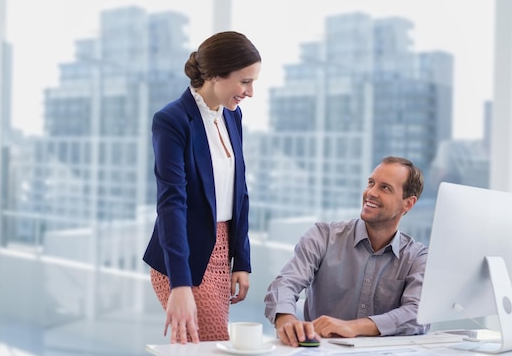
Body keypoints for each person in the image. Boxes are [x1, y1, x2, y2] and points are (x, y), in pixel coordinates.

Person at [143, 31, 261, 344]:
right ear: (216, 75)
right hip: (182, 257)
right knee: (212, 343)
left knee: (198, 347)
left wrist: (242, 259)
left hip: (222, 253)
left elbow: (240, 192)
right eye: (244, 81)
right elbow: (172, 204)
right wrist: (180, 285)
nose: (250, 92)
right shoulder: (172, 120)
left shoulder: (232, 116)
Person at [264, 156, 429, 347]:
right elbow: (284, 283)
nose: (371, 193)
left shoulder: (416, 257)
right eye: (371, 183)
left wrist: (354, 327)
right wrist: (286, 320)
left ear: (408, 203)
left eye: (385, 188)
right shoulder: (323, 236)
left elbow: (418, 314)